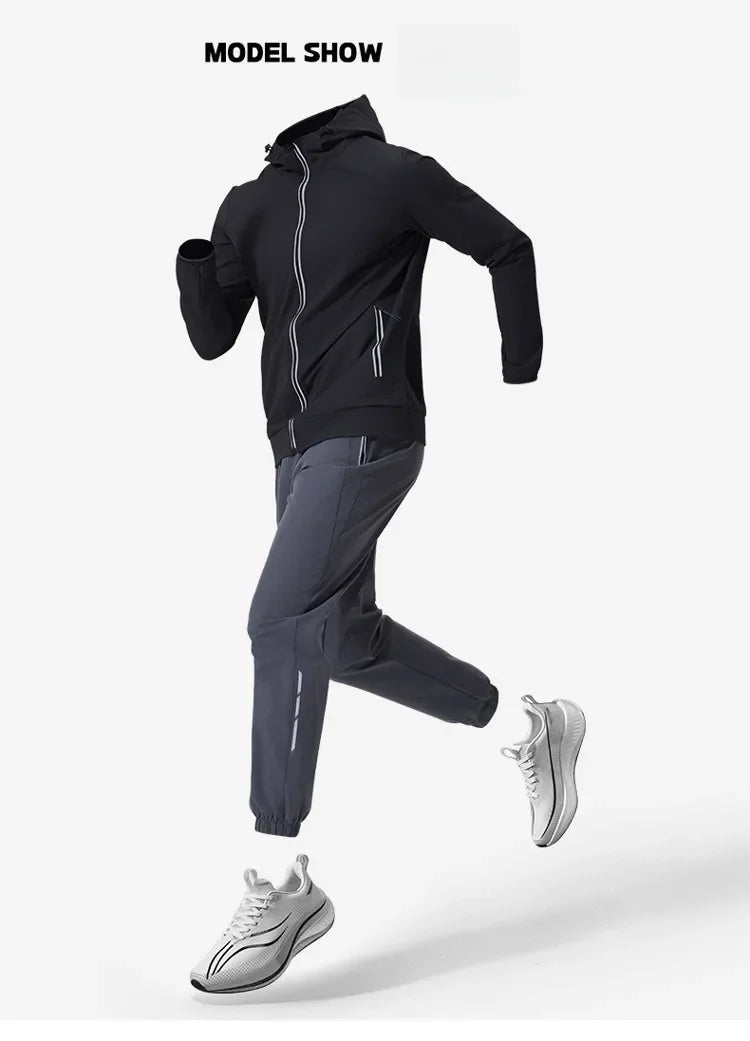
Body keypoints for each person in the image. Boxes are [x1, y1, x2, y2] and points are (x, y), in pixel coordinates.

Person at [176, 95, 586, 995]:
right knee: (337, 636)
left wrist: (520, 365)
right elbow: (212, 339)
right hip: (293, 447)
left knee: (279, 622)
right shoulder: (251, 200)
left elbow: (507, 246)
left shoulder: (391, 172)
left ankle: (281, 887)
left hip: (372, 428)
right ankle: (534, 727)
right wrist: (198, 259)